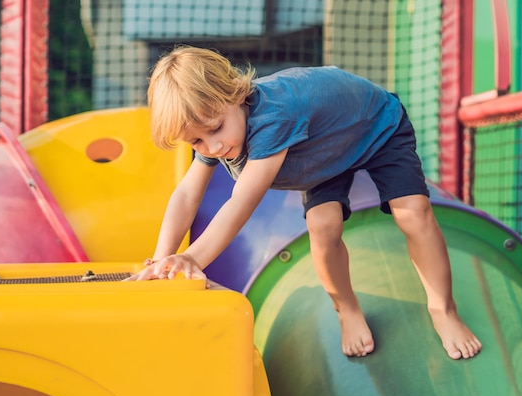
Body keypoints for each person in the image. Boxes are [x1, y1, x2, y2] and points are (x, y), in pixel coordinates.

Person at [125, 46, 482, 360]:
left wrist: (190, 258)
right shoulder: (214, 131)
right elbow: (187, 193)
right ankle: (346, 309)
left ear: (234, 96)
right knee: (323, 227)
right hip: (320, 154)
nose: (213, 148)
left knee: (413, 213)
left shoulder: (274, 117)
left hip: (374, 127)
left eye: (215, 129)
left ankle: (443, 309)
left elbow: (242, 202)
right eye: (197, 142)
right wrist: (161, 260)